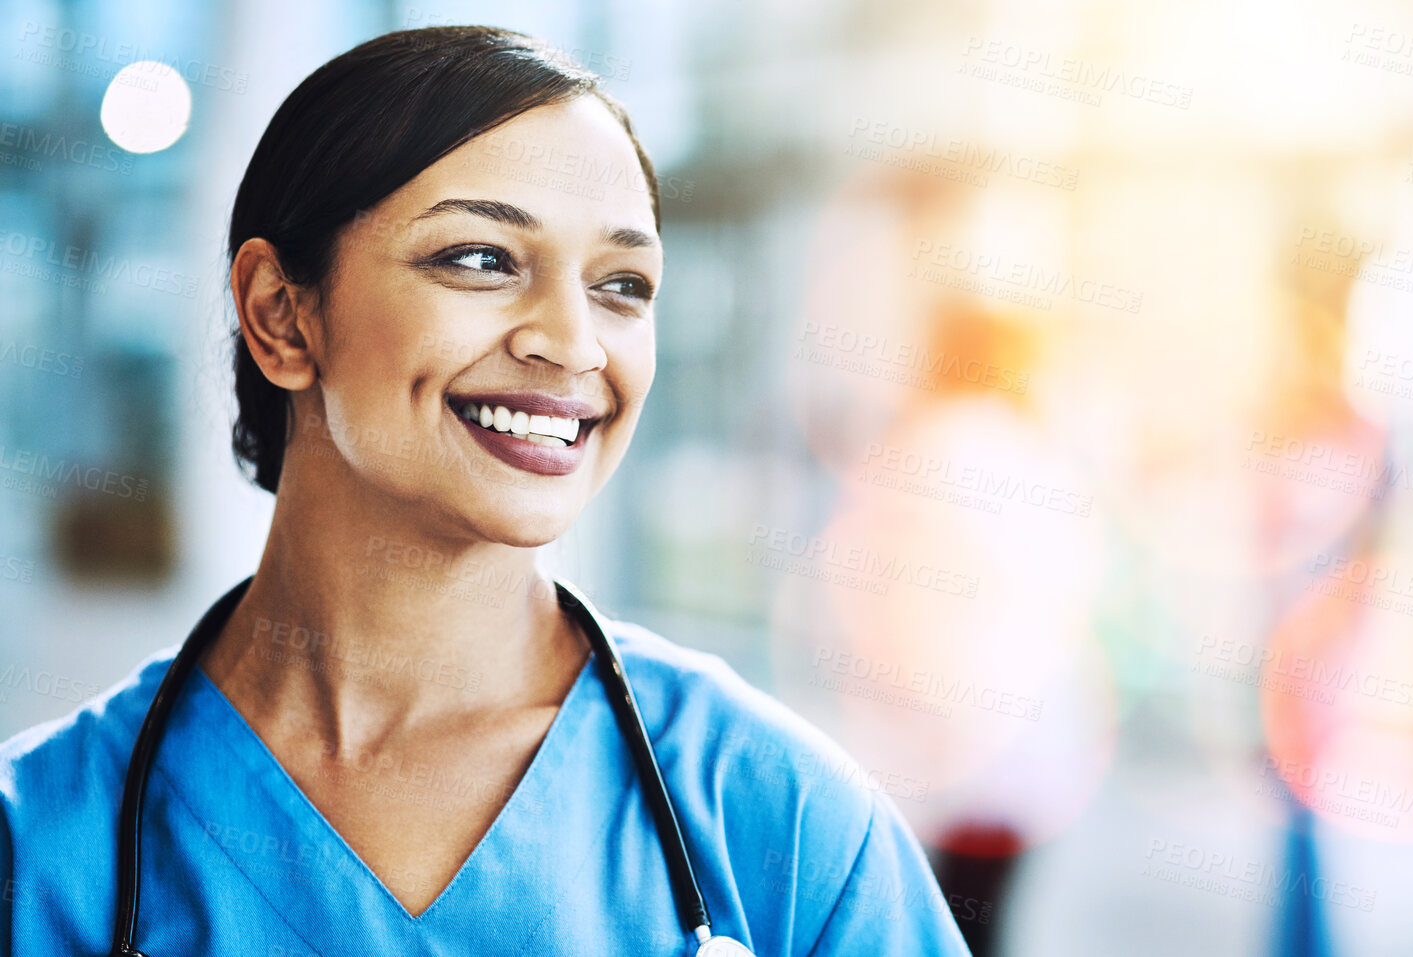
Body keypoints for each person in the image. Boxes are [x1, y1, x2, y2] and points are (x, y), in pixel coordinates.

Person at [0, 26, 970, 955]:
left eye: (623, 284)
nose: (574, 341)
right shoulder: (36, 849)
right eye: (480, 259)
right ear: (281, 317)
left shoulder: (781, 823)